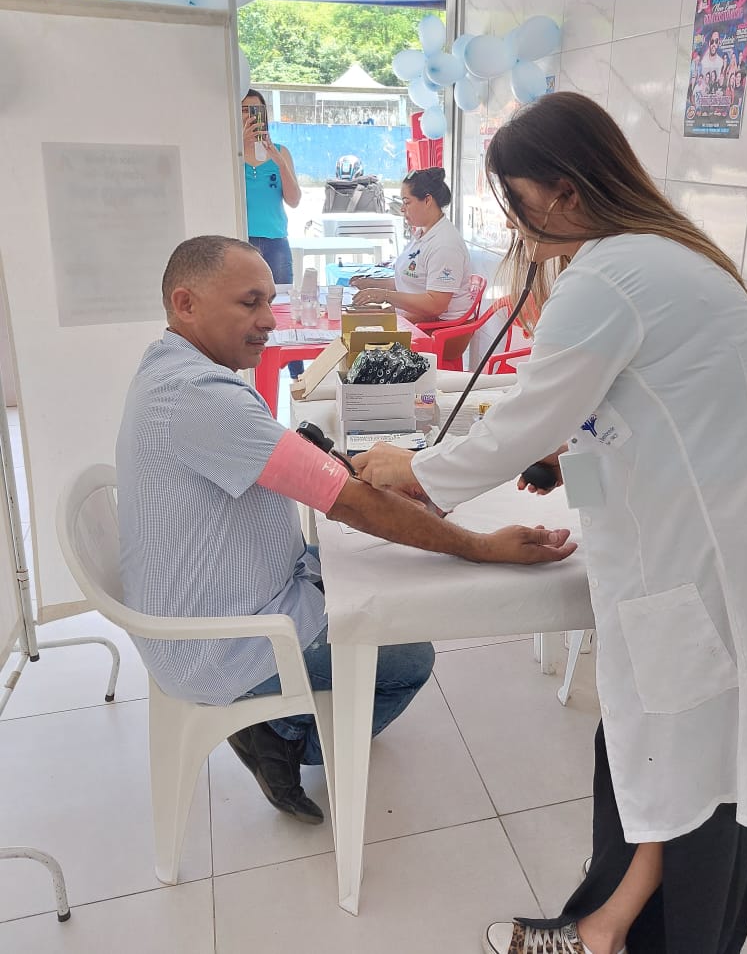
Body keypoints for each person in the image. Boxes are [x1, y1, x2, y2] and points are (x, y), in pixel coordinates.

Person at [353, 92, 747, 954]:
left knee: (688, 771)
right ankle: (604, 928)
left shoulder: (608, 279)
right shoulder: (665, 256)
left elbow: (524, 421)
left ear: (565, 191)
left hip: (710, 569)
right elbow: (632, 412)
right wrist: (564, 467)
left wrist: (416, 472)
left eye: (517, 200)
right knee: (673, 760)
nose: (514, 223)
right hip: (744, 550)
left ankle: (616, 934)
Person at [116, 235, 575, 824]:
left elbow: (321, 476)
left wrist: (379, 481)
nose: (268, 320)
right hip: (222, 642)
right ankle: (275, 731)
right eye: (250, 303)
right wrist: (481, 547)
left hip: (214, 602)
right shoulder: (200, 396)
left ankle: (279, 723)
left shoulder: (172, 369)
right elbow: (346, 502)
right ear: (186, 303)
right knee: (408, 657)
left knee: (374, 570)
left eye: (268, 301)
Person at [351, 167, 473, 324]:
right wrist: (371, 284)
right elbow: (410, 281)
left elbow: (436, 305)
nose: (402, 209)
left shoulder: (445, 245)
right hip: (416, 317)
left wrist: (385, 295)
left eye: (407, 202)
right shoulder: (423, 233)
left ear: (427, 201)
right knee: (352, 318)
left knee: (361, 327)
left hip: (440, 327)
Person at [242, 89, 301, 285]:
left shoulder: (280, 152)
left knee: (281, 296)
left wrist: (280, 163)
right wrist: (240, 145)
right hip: (240, 240)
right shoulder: (229, 153)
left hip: (276, 241)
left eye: (256, 110)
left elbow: (294, 201)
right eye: (244, 110)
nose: (250, 116)